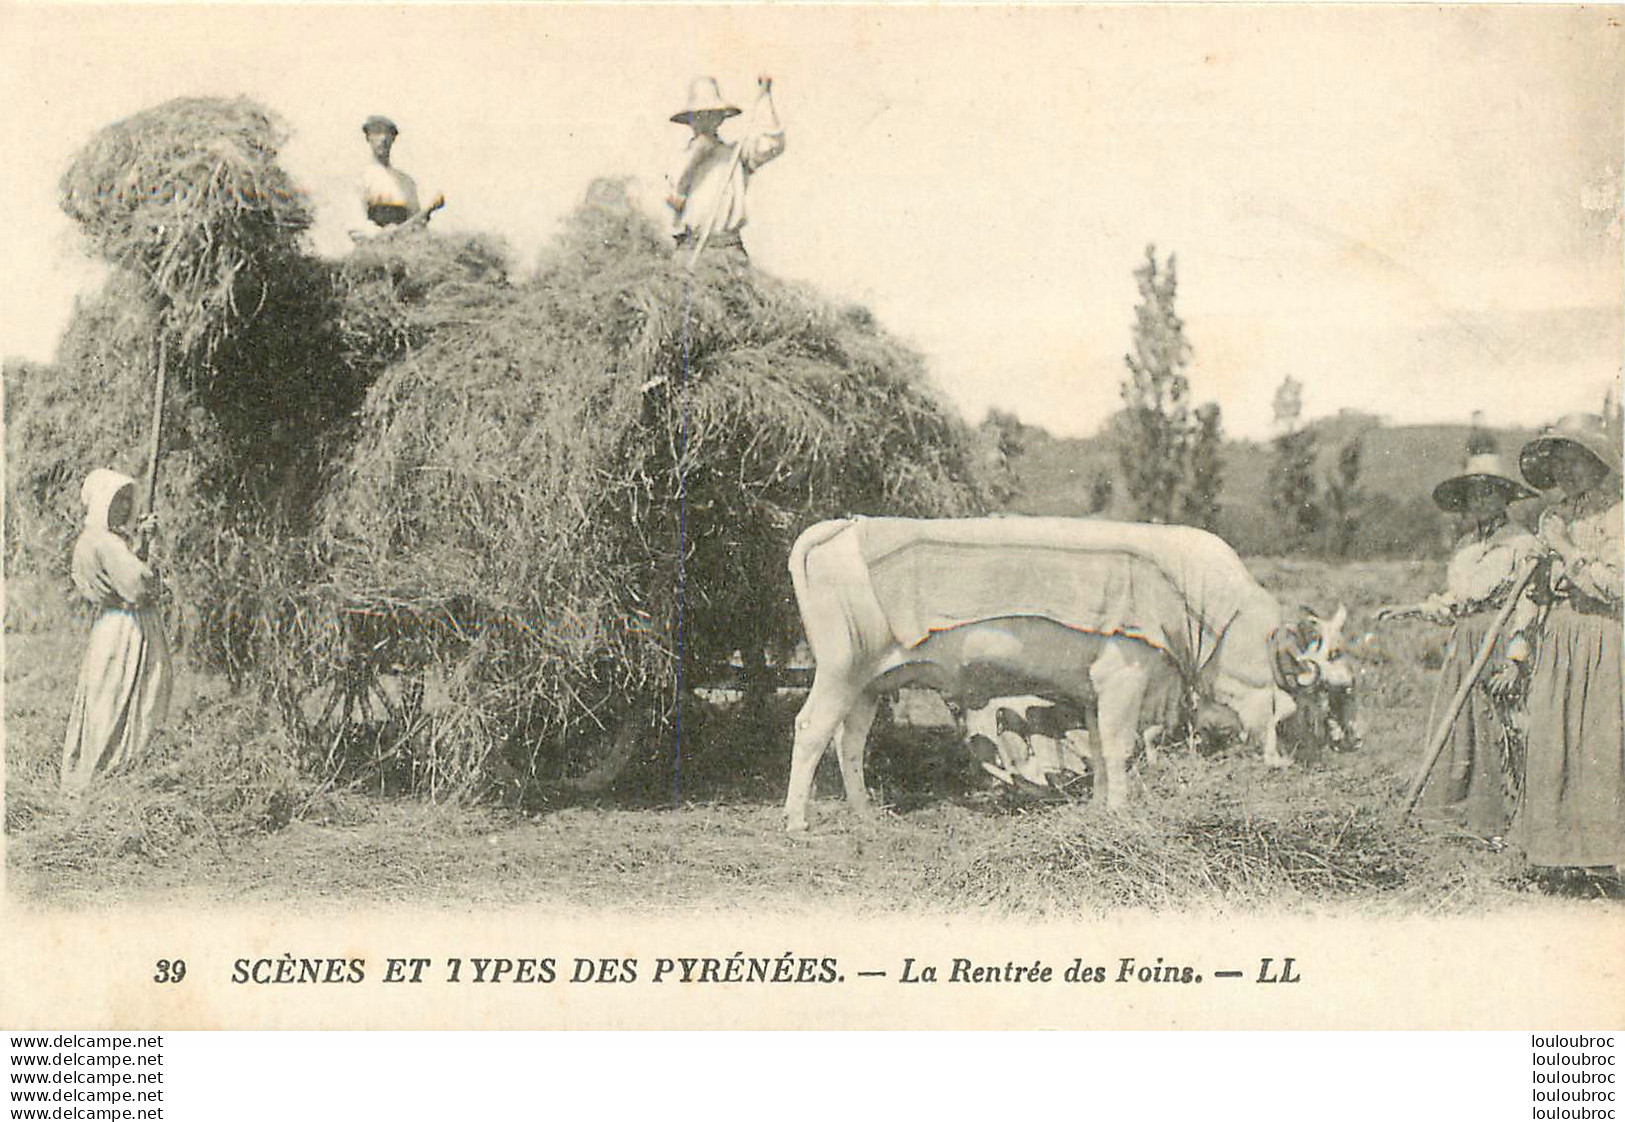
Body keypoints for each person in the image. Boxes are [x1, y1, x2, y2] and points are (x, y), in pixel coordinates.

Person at [1376, 450, 1541, 839]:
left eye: (1489, 492)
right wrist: (1412, 609)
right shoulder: (1466, 546)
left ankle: (1501, 823)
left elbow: (1529, 602)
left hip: (1497, 641)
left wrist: (1516, 659)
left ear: (1505, 497)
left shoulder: (1521, 544)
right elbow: (1455, 601)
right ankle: (1455, 819)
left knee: (1498, 729)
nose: (1480, 501)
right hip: (1464, 642)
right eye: (1473, 494)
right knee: (1457, 726)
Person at [1511, 413, 1623, 879]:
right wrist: (1521, 640)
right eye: (1558, 462)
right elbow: (1535, 591)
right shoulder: (1556, 517)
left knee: (1600, 741)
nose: (1566, 472)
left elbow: (1615, 587)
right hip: (1559, 639)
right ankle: (1557, 858)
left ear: (1596, 461)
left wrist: (1567, 551)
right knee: (1554, 740)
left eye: (1574, 459)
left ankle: (1605, 857)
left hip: (1602, 636)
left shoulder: (1617, 515)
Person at [60, 469, 174, 796]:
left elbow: (119, 576)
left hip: (107, 627)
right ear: (101, 503)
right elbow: (137, 586)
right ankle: (118, 776)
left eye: (127, 499)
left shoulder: (88, 541)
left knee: (105, 698)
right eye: (117, 500)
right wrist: (156, 572)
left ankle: (91, 776)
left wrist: (138, 544)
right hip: (129, 629)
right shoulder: (108, 543)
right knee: (132, 695)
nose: (124, 507)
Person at [666, 76, 785, 261]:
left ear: (720, 118)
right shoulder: (678, 158)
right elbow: (673, 199)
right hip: (689, 251)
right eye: (698, 115)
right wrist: (697, 155)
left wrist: (766, 98)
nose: (704, 120)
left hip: (727, 250)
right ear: (689, 120)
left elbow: (773, 145)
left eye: (710, 114)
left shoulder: (735, 155)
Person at [353, 115, 444, 240]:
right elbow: (358, 225)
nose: (383, 138)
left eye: (388, 134)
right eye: (377, 132)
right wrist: (382, 234)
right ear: (368, 137)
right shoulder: (362, 179)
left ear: (393, 139)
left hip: (403, 248)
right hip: (373, 250)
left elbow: (416, 223)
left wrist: (427, 212)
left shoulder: (406, 182)